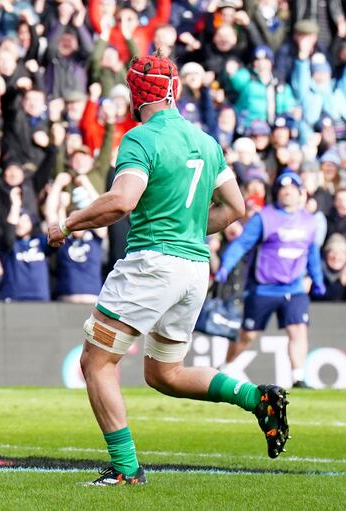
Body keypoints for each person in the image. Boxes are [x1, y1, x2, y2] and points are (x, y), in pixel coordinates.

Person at [47, 54, 289, 486]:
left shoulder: (140, 139)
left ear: (137, 93)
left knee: (96, 362)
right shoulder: (206, 142)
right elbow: (235, 208)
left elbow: (122, 201)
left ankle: (125, 469)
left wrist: (66, 223)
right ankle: (257, 397)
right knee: (164, 373)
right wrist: (192, 228)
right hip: (195, 267)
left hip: (151, 264)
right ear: (174, 89)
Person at [215, 172, 326, 389]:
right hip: (263, 287)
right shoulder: (264, 218)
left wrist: (317, 278)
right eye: (283, 189)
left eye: (292, 189)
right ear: (277, 193)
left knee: (298, 329)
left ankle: (298, 377)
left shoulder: (309, 222)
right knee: (247, 335)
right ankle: (225, 367)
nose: (287, 193)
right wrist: (226, 266)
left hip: (294, 287)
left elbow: (312, 253)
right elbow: (241, 244)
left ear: (300, 193)